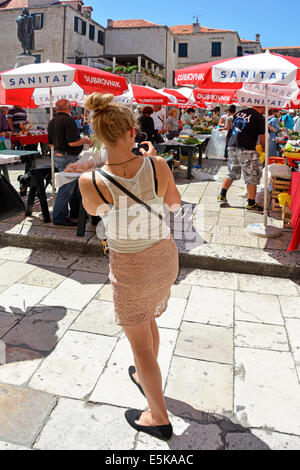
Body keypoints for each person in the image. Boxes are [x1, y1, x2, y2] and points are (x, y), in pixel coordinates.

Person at [79, 93, 181, 441]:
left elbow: (95, 213)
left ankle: (158, 416)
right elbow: (174, 204)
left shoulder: (91, 181)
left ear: (98, 135)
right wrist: (153, 164)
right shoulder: (159, 165)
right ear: (133, 131)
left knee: (138, 339)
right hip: (163, 255)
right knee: (147, 317)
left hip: (130, 265)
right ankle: (143, 374)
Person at [48, 99, 93, 226]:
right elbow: (72, 143)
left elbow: (51, 143)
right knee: (66, 188)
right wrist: (86, 141)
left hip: (58, 155)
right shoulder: (68, 120)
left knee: (72, 186)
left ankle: (75, 213)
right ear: (69, 108)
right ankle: (59, 218)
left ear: (56, 109)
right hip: (67, 156)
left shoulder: (52, 121)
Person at [217, 106, 265, 212]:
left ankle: (222, 195)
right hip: (247, 148)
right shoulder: (259, 117)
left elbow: (238, 127)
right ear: (262, 107)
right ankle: (251, 203)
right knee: (252, 174)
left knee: (231, 171)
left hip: (232, 146)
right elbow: (262, 137)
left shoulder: (240, 113)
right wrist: (264, 150)